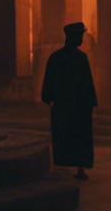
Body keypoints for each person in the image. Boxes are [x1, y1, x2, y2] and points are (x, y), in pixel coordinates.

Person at [41, 21, 98, 179]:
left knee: (63, 136)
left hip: (62, 107)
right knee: (81, 137)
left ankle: (62, 167)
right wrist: (90, 103)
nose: (81, 38)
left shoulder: (55, 57)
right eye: (80, 35)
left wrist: (51, 101)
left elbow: (48, 85)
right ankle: (80, 168)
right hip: (79, 107)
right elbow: (87, 83)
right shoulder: (81, 57)